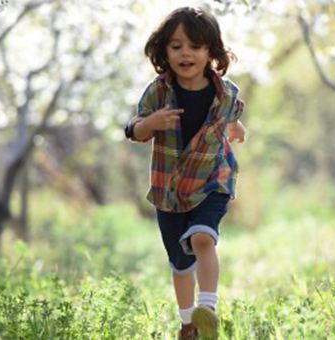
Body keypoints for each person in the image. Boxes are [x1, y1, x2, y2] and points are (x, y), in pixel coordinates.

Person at [124, 6, 246, 340]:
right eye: (176, 46)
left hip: (212, 180)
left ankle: (207, 309)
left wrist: (237, 130)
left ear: (211, 52)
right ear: (164, 52)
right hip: (170, 190)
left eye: (195, 46)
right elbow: (134, 129)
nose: (185, 53)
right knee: (180, 264)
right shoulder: (158, 92)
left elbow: (230, 119)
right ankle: (188, 324)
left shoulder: (227, 93)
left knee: (202, 238)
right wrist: (151, 123)